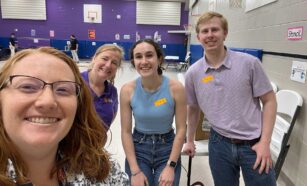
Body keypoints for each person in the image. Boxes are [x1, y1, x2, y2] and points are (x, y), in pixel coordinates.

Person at [0, 47, 129, 185]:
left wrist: (94, 150)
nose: (47, 101)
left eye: (62, 89)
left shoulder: (102, 172)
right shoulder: (81, 80)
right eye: (27, 87)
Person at [182, 11, 277, 186]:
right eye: (205, 31)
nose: (210, 35)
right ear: (198, 36)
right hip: (219, 144)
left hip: (253, 144)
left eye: (215, 30)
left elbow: (270, 100)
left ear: (225, 33)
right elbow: (193, 108)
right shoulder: (193, 73)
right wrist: (189, 141)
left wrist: (265, 142)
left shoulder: (249, 64)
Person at [120, 39, 187, 186]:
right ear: (133, 62)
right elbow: (125, 132)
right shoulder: (127, 90)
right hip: (139, 148)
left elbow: (182, 128)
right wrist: (135, 170)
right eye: (138, 57)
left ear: (159, 59)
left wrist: (171, 166)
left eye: (149, 55)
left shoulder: (176, 89)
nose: (144, 61)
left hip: (167, 149)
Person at [81, 44, 124, 130]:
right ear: (94, 58)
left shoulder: (112, 91)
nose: (108, 65)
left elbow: (111, 117)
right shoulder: (75, 82)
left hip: (98, 142)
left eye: (114, 63)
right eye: (105, 59)